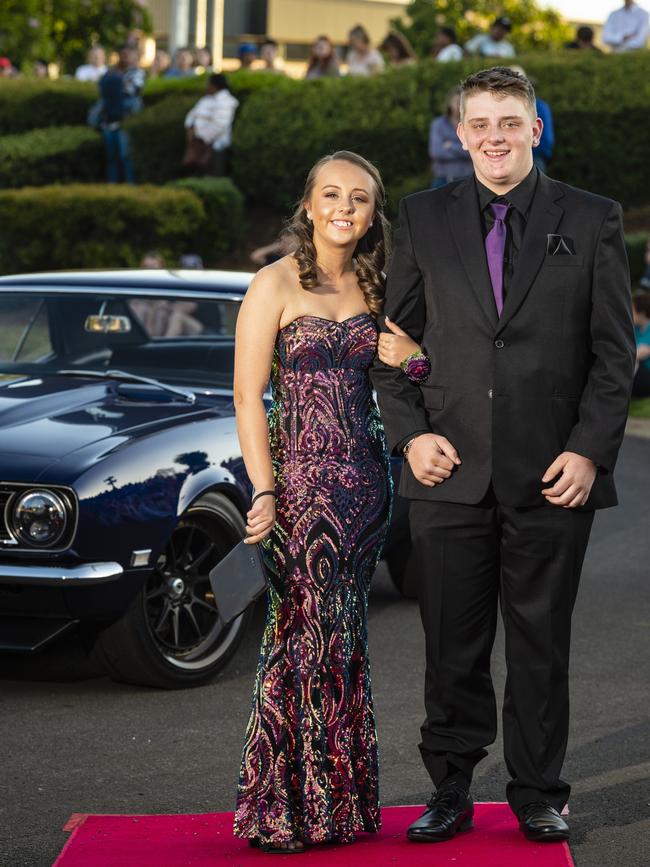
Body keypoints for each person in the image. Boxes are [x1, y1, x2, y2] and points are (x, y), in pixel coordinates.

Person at [372, 66, 635, 846]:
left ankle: (538, 792)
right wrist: (412, 434)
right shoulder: (421, 219)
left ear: (535, 129)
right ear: (459, 135)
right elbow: (394, 349)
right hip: (447, 475)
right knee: (451, 644)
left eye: (509, 121)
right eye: (479, 122)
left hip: (554, 478)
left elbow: (614, 354)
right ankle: (450, 788)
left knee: (539, 647)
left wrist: (589, 451)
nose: (494, 135)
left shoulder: (592, 219)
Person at [232, 151, 394, 852]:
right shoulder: (272, 283)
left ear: (371, 213)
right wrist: (263, 487)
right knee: (301, 635)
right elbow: (247, 395)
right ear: (307, 205)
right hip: (298, 490)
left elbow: (417, 367)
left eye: (358, 198)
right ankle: (286, 806)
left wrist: (411, 357)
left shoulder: (376, 284)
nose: (344, 208)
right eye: (331, 194)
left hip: (365, 488)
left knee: (346, 636)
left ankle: (341, 803)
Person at [98, 46, 142, 183]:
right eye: (123, 54)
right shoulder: (110, 72)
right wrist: (120, 83)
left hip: (126, 121)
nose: (125, 58)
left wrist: (117, 84)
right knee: (111, 157)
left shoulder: (137, 73)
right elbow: (102, 89)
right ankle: (112, 188)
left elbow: (133, 91)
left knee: (126, 156)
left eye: (129, 55)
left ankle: (130, 187)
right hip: (108, 121)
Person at [183, 73, 239, 175]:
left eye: (208, 83)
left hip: (215, 146)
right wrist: (191, 130)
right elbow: (191, 116)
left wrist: (201, 138)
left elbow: (219, 125)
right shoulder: (206, 99)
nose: (206, 86)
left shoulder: (226, 102)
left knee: (213, 174)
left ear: (214, 85)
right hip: (197, 145)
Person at [428, 86, 473, 188]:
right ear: (450, 103)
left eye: (462, 103)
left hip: (469, 181)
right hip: (443, 181)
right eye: (456, 102)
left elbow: (474, 151)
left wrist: (450, 145)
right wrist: (463, 147)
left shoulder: (473, 125)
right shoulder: (438, 124)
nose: (459, 106)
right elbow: (436, 152)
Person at [632, 292, 650, 396]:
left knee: (632, 360)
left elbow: (639, 354)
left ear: (642, 312)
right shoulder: (637, 329)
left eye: (632, 310)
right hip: (637, 374)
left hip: (646, 377)